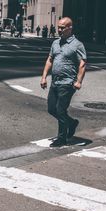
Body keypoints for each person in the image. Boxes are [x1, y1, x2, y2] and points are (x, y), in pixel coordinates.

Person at [40, 17, 87, 147]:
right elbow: (50, 60)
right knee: (51, 109)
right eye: (59, 27)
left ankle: (61, 139)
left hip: (68, 83)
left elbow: (82, 63)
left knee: (60, 110)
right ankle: (71, 123)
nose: (59, 30)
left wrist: (79, 81)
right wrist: (44, 77)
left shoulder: (77, 44)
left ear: (70, 28)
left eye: (62, 27)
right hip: (55, 82)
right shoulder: (55, 43)